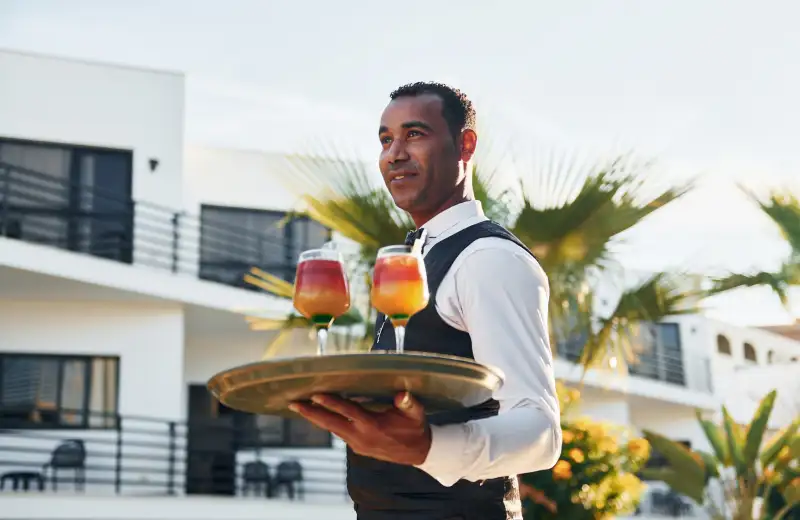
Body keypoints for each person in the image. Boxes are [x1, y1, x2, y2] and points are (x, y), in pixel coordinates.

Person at [289, 82, 561, 520]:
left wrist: (429, 446)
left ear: (464, 145)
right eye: (385, 139)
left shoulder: (488, 258)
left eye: (414, 134)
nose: (394, 153)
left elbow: (541, 432)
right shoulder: (412, 261)